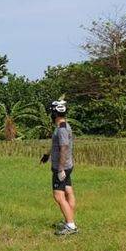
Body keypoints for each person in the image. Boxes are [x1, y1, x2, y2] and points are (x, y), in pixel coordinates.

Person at [43, 100, 78, 235]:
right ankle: (69, 220)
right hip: (68, 165)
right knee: (68, 191)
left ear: (54, 113)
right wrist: (47, 155)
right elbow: (56, 145)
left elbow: (63, 147)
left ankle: (71, 226)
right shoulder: (62, 125)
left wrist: (60, 169)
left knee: (58, 196)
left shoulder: (62, 129)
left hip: (62, 167)